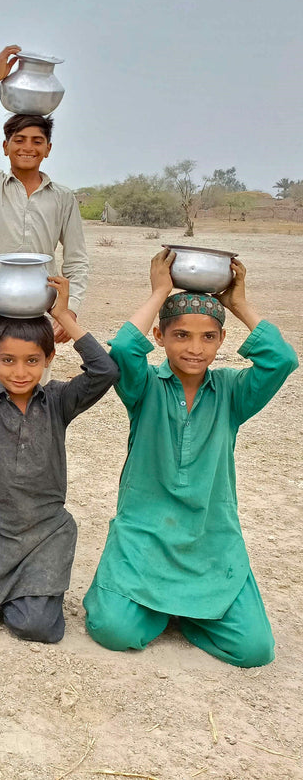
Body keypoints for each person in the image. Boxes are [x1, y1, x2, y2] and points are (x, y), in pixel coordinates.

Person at [83, 250, 298, 667]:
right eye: (181, 335)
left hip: (210, 539)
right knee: (113, 630)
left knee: (254, 649)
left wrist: (238, 304)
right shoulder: (144, 388)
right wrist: (160, 290)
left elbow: (282, 360)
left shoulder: (234, 393)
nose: (195, 348)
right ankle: (158, 605)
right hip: (145, 537)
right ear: (161, 338)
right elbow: (125, 349)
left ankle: (179, 610)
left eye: (208, 337)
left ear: (221, 340)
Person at [0, 275, 117, 644]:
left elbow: (105, 371)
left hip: (41, 533)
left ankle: (20, 593)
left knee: (36, 628)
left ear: (49, 358)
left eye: (33, 360)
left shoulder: (61, 401)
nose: (20, 372)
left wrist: (64, 316)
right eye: (8, 360)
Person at [0, 44, 89, 510]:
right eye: (19, 141)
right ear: (5, 147)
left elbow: (78, 260)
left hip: (41, 302)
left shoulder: (63, 198)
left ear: (48, 149)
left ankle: (28, 480)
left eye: (36, 142)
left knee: (33, 388)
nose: (27, 148)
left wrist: (69, 312)